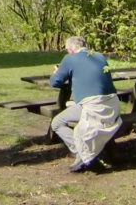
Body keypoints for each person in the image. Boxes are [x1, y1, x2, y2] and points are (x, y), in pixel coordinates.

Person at [49, 35, 123, 172]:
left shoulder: (70, 59)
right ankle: (89, 154)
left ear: (70, 49)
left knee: (57, 122)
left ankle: (82, 154)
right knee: (76, 108)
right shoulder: (99, 56)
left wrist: (57, 72)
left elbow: (55, 82)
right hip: (113, 106)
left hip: (92, 107)